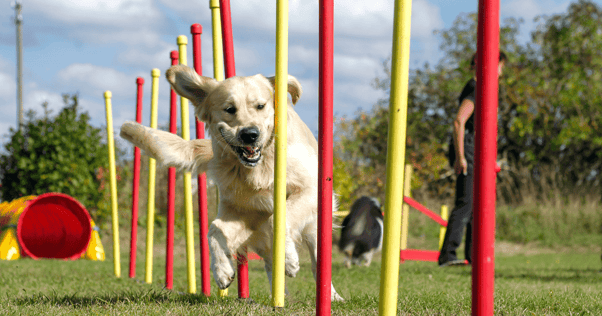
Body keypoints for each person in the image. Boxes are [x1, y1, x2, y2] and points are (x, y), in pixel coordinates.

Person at [438, 51, 507, 267]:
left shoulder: (485, 89)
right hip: (467, 148)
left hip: (477, 148)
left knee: (478, 204)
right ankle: (447, 256)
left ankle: (472, 254)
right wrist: (461, 157)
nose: (501, 72)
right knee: (466, 203)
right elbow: (459, 121)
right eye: (499, 67)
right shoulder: (475, 87)